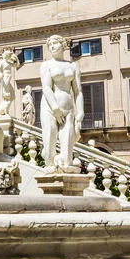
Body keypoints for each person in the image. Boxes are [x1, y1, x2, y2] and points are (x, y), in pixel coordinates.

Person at [40, 35, 84, 168]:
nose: (52, 46)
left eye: (55, 43)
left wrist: (81, 111)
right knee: (49, 138)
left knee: (68, 143)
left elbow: (78, 91)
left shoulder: (73, 66)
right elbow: (46, 87)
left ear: (63, 45)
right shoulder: (46, 65)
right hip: (50, 107)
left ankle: (66, 169)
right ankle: (50, 168)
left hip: (68, 107)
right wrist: (55, 107)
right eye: (50, 44)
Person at [0, 50, 19, 116]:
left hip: (8, 78)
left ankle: (5, 110)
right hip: (4, 78)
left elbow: (17, 65)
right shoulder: (1, 62)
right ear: (6, 56)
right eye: (9, 55)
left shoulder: (8, 63)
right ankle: (4, 111)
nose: (10, 57)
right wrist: (0, 74)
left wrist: (16, 58)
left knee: (12, 95)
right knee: (6, 94)